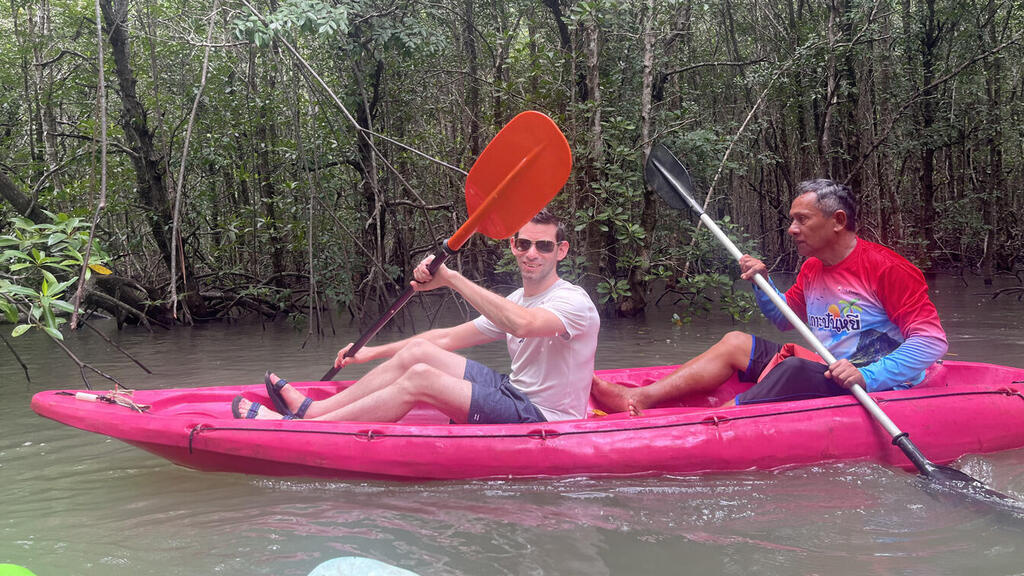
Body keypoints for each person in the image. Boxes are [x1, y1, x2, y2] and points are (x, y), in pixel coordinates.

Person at [591, 179, 948, 414]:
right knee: (735, 341)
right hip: (830, 368)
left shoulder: (887, 268)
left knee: (793, 368)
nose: (792, 229)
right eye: (791, 220)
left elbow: (931, 342)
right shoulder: (812, 268)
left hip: (878, 382)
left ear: (838, 221)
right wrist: (763, 284)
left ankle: (719, 418)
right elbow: (784, 318)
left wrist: (868, 376)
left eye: (802, 220)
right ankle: (639, 398)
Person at [232, 208, 600, 424]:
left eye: (543, 246)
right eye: (524, 243)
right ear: (513, 247)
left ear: (561, 251)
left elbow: (523, 325)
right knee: (417, 356)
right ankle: (314, 412)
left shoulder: (574, 302)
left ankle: (303, 429)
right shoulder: (518, 297)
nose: (531, 253)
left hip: (545, 416)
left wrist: (450, 278)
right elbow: (443, 339)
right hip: (514, 391)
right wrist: (371, 352)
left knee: (421, 378)